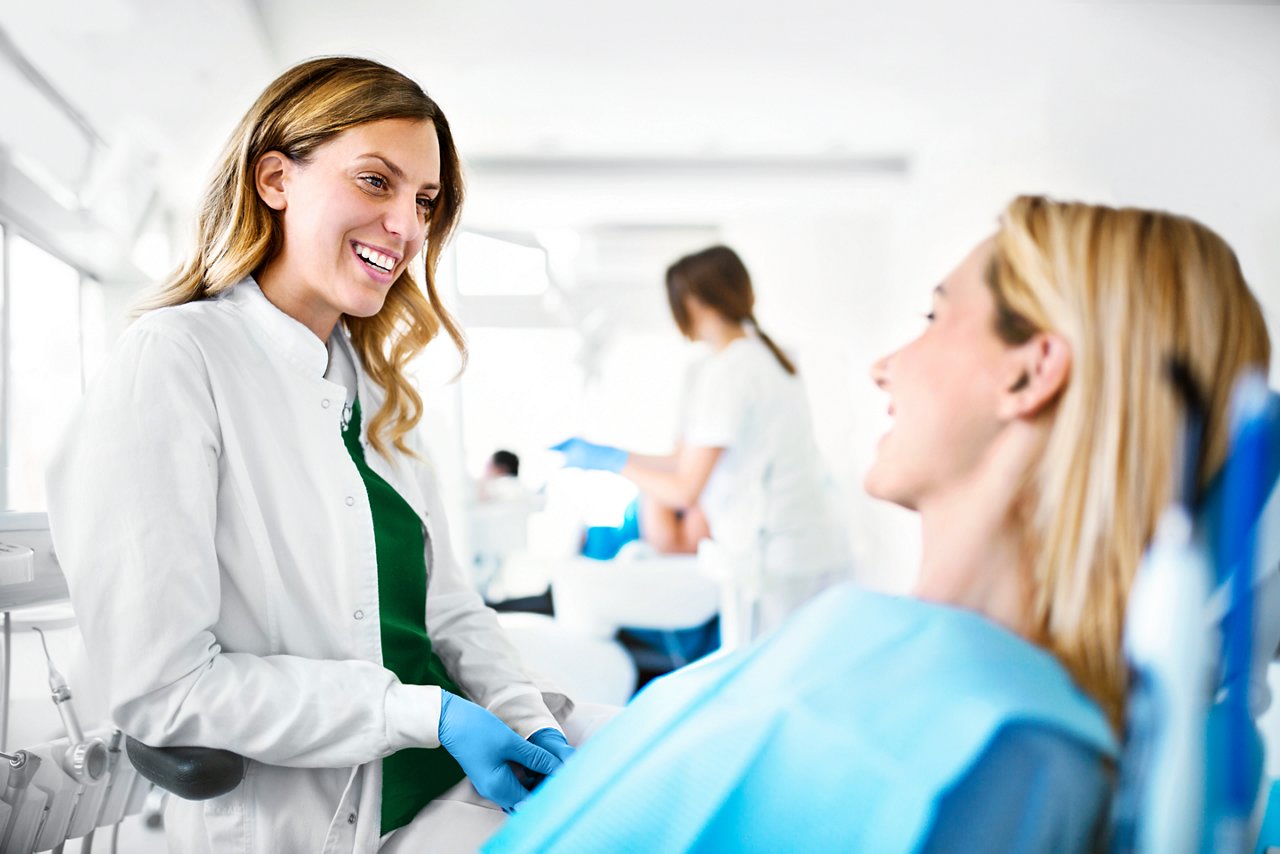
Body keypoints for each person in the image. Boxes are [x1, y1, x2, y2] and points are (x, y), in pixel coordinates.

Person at [484, 196, 1272, 852]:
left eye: (935, 315)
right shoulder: (898, 667)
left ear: (1029, 371)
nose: (882, 365)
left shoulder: (984, 745)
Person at [46, 57, 574, 854]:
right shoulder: (176, 360)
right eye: (375, 182)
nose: (406, 225)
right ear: (273, 179)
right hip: (326, 822)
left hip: (451, 795)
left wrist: (527, 717)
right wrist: (424, 713)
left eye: (424, 200)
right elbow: (164, 689)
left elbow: (450, 610)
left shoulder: (376, 384)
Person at [553, 245, 852, 643]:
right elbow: (684, 460)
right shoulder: (768, 357)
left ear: (691, 301)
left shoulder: (728, 372)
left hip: (773, 558)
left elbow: (684, 488)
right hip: (807, 545)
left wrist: (612, 463)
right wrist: (613, 454)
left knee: (764, 680)